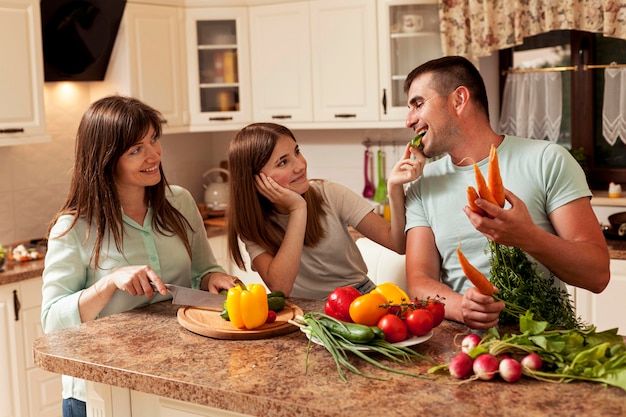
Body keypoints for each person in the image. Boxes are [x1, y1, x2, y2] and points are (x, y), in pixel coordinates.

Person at [41, 95, 238, 417]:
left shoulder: (180, 202)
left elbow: (204, 270)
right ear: (105, 160)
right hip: (99, 389)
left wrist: (215, 278)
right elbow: (51, 320)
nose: (154, 155)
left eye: (154, 140)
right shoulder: (75, 227)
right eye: (136, 150)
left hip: (171, 372)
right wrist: (107, 284)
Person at [402, 55, 610, 330]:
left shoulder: (547, 160)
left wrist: (527, 236)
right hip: (463, 349)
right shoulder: (423, 183)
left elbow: (597, 275)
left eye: (418, 104)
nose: (409, 120)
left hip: (547, 345)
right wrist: (460, 307)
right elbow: (419, 280)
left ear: (459, 99)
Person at [226, 122, 425, 299]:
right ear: (255, 180)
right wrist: (298, 209)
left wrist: (394, 189)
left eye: (297, 152)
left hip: (359, 299)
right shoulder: (251, 224)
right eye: (283, 162)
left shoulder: (329, 193)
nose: (300, 165)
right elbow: (280, 288)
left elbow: (398, 244)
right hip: (303, 313)